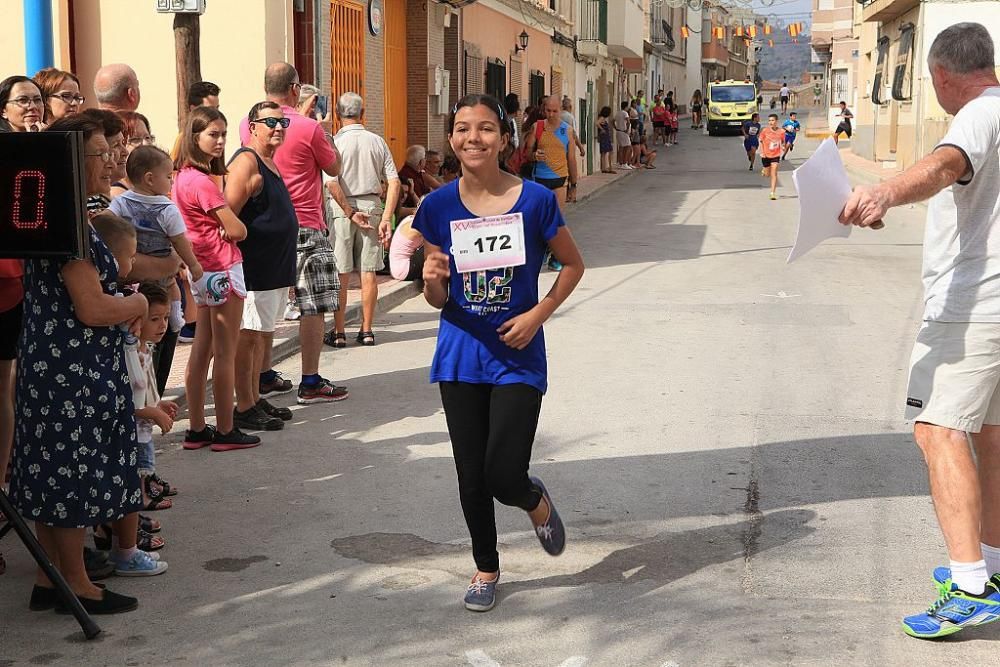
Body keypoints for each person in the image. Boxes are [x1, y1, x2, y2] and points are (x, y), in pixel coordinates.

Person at [838, 22, 1000, 640]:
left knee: (937, 432)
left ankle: (967, 586)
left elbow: (942, 167)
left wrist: (882, 192)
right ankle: (991, 569)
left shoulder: (977, 116)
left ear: (939, 74)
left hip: (972, 307)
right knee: (990, 436)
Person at [414, 93, 585, 613]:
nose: (473, 138)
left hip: (517, 356)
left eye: (486, 128)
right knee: (471, 476)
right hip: (461, 356)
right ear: (452, 139)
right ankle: (486, 568)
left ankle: (533, 499)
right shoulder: (437, 206)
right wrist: (431, 281)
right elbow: (438, 298)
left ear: (504, 138)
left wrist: (537, 315)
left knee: (502, 473)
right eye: (463, 128)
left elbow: (572, 266)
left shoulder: (535, 200)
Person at [9, 114, 151, 612]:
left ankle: (53, 582)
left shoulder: (55, 217)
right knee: (69, 473)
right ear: (72, 160)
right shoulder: (68, 225)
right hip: (72, 370)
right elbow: (91, 308)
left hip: (53, 365)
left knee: (52, 472)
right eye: (99, 153)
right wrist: (136, 305)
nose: (110, 159)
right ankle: (76, 584)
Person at [238, 63, 348, 403]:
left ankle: (265, 373)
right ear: (295, 88)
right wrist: (323, 128)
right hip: (306, 223)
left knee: (268, 302)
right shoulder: (309, 127)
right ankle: (310, 380)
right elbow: (333, 167)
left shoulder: (249, 123)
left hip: (265, 226)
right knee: (312, 304)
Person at [174, 106, 260, 451]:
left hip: (201, 269)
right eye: (213, 134)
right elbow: (237, 228)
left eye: (223, 134)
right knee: (224, 352)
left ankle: (197, 427)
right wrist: (232, 229)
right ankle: (225, 429)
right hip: (221, 267)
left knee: (203, 349)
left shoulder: (181, 178)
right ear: (195, 137)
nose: (221, 141)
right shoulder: (202, 183)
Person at [226, 102, 299, 431]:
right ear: (252, 126)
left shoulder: (269, 161)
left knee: (261, 337)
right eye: (270, 121)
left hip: (273, 269)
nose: (279, 126)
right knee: (248, 338)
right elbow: (224, 213)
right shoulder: (246, 162)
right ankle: (243, 405)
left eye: (282, 121)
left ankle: (253, 396)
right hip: (253, 269)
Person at [318, 92, 400, 349]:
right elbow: (394, 181)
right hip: (372, 205)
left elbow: (331, 183)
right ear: (362, 113)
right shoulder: (377, 141)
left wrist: (348, 210)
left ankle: (339, 331)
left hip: (342, 208)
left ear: (338, 114)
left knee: (341, 272)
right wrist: (386, 216)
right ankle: (366, 330)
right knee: (368, 272)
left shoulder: (334, 143)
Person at [110, 145, 203, 338]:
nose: (172, 180)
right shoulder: (167, 209)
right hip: (162, 269)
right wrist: (193, 264)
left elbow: (106, 221)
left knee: (143, 306)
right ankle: (176, 316)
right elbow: (180, 241)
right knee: (171, 288)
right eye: (168, 176)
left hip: (133, 272)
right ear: (150, 179)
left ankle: (135, 330)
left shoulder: (121, 201)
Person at [129, 282, 178, 513]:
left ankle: (142, 498)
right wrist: (153, 412)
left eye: (166, 318)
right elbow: (130, 401)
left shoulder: (146, 348)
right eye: (154, 319)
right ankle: (140, 502)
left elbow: (147, 390)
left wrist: (159, 403)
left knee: (142, 466)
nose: (163, 325)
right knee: (136, 468)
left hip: (144, 424)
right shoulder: (130, 355)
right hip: (134, 426)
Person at [525, 95, 579, 209]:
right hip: (539, 178)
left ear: (560, 110)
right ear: (544, 109)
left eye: (555, 111)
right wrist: (534, 156)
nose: (551, 114)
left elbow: (571, 159)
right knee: (541, 219)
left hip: (560, 179)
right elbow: (527, 153)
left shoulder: (568, 130)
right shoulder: (537, 127)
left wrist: (573, 185)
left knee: (557, 219)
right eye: (548, 110)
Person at [170, 81, 222, 162]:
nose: (215, 113)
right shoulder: (183, 141)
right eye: (209, 109)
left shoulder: (219, 138)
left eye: (217, 108)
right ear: (193, 109)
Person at [388, 215, 425, 281]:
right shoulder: (416, 225)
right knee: (435, 247)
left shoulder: (411, 219)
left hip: (398, 268)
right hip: (404, 270)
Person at [758, 113, 784, 201]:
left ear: (776, 121)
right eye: (769, 121)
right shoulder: (765, 131)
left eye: (772, 120)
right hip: (765, 155)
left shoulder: (781, 132)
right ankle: (764, 170)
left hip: (775, 155)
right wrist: (762, 152)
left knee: (774, 173)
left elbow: (783, 141)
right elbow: (760, 141)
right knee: (767, 174)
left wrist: (783, 146)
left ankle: (772, 193)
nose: (771, 122)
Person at [613, 101, 632, 170]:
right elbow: (628, 122)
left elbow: (613, 121)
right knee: (628, 147)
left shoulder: (618, 113)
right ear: (626, 107)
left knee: (621, 147)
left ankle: (620, 162)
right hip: (623, 132)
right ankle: (624, 163)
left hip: (618, 131)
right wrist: (627, 129)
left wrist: (615, 127)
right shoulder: (625, 113)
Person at [596, 105, 614, 173]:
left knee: (604, 152)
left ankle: (604, 167)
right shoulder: (602, 118)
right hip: (605, 137)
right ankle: (609, 167)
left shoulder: (602, 118)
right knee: (609, 151)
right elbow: (597, 123)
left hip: (605, 137)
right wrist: (602, 129)